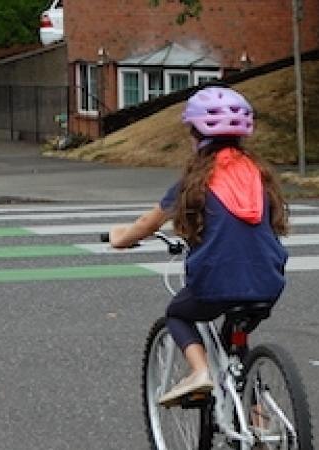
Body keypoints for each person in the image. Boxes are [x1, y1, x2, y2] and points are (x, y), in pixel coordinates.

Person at [108, 85, 290, 406]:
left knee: (177, 314)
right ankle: (260, 421)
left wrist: (119, 238)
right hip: (268, 282)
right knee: (237, 345)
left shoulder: (194, 182)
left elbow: (146, 225)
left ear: (195, 134)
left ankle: (199, 371)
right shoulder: (258, 175)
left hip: (215, 284)